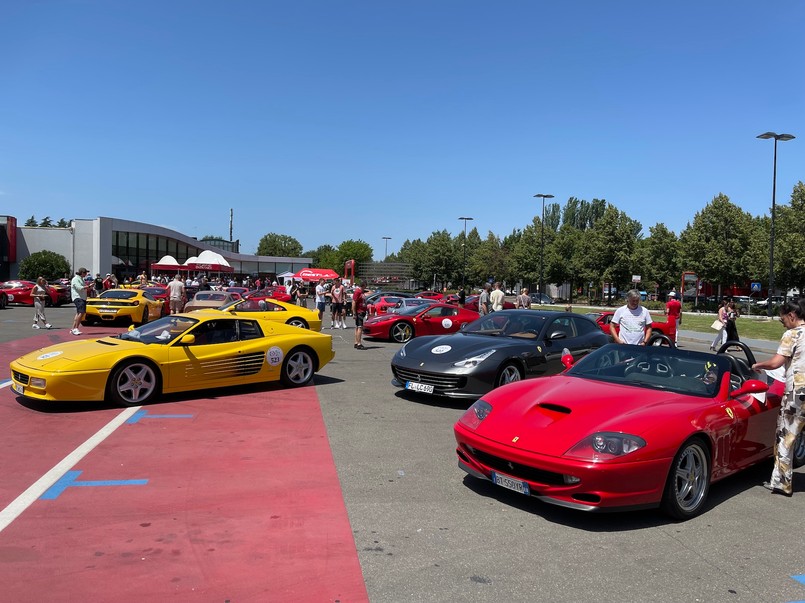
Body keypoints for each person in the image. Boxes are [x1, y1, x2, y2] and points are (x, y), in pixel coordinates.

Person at [751, 300, 805, 496]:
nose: (783, 323)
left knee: (786, 436)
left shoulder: (792, 334)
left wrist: (759, 366)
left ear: (791, 315)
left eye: (783, 319)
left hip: (797, 393)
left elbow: (776, 363)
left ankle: (782, 483)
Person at [70, 267, 89, 335]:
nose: (86, 274)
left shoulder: (81, 279)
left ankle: (73, 328)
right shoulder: (76, 279)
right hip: (78, 297)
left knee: (79, 313)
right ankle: (76, 328)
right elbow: (79, 288)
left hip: (82, 297)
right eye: (85, 273)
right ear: (82, 273)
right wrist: (88, 286)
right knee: (81, 312)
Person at [352, 280, 368, 350]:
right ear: (363, 285)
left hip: (362, 311)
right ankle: (359, 343)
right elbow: (354, 302)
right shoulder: (357, 292)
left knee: (358, 327)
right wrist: (354, 313)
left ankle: (356, 342)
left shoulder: (361, 292)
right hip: (359, 312)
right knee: (360, 327)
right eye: (365, 286)